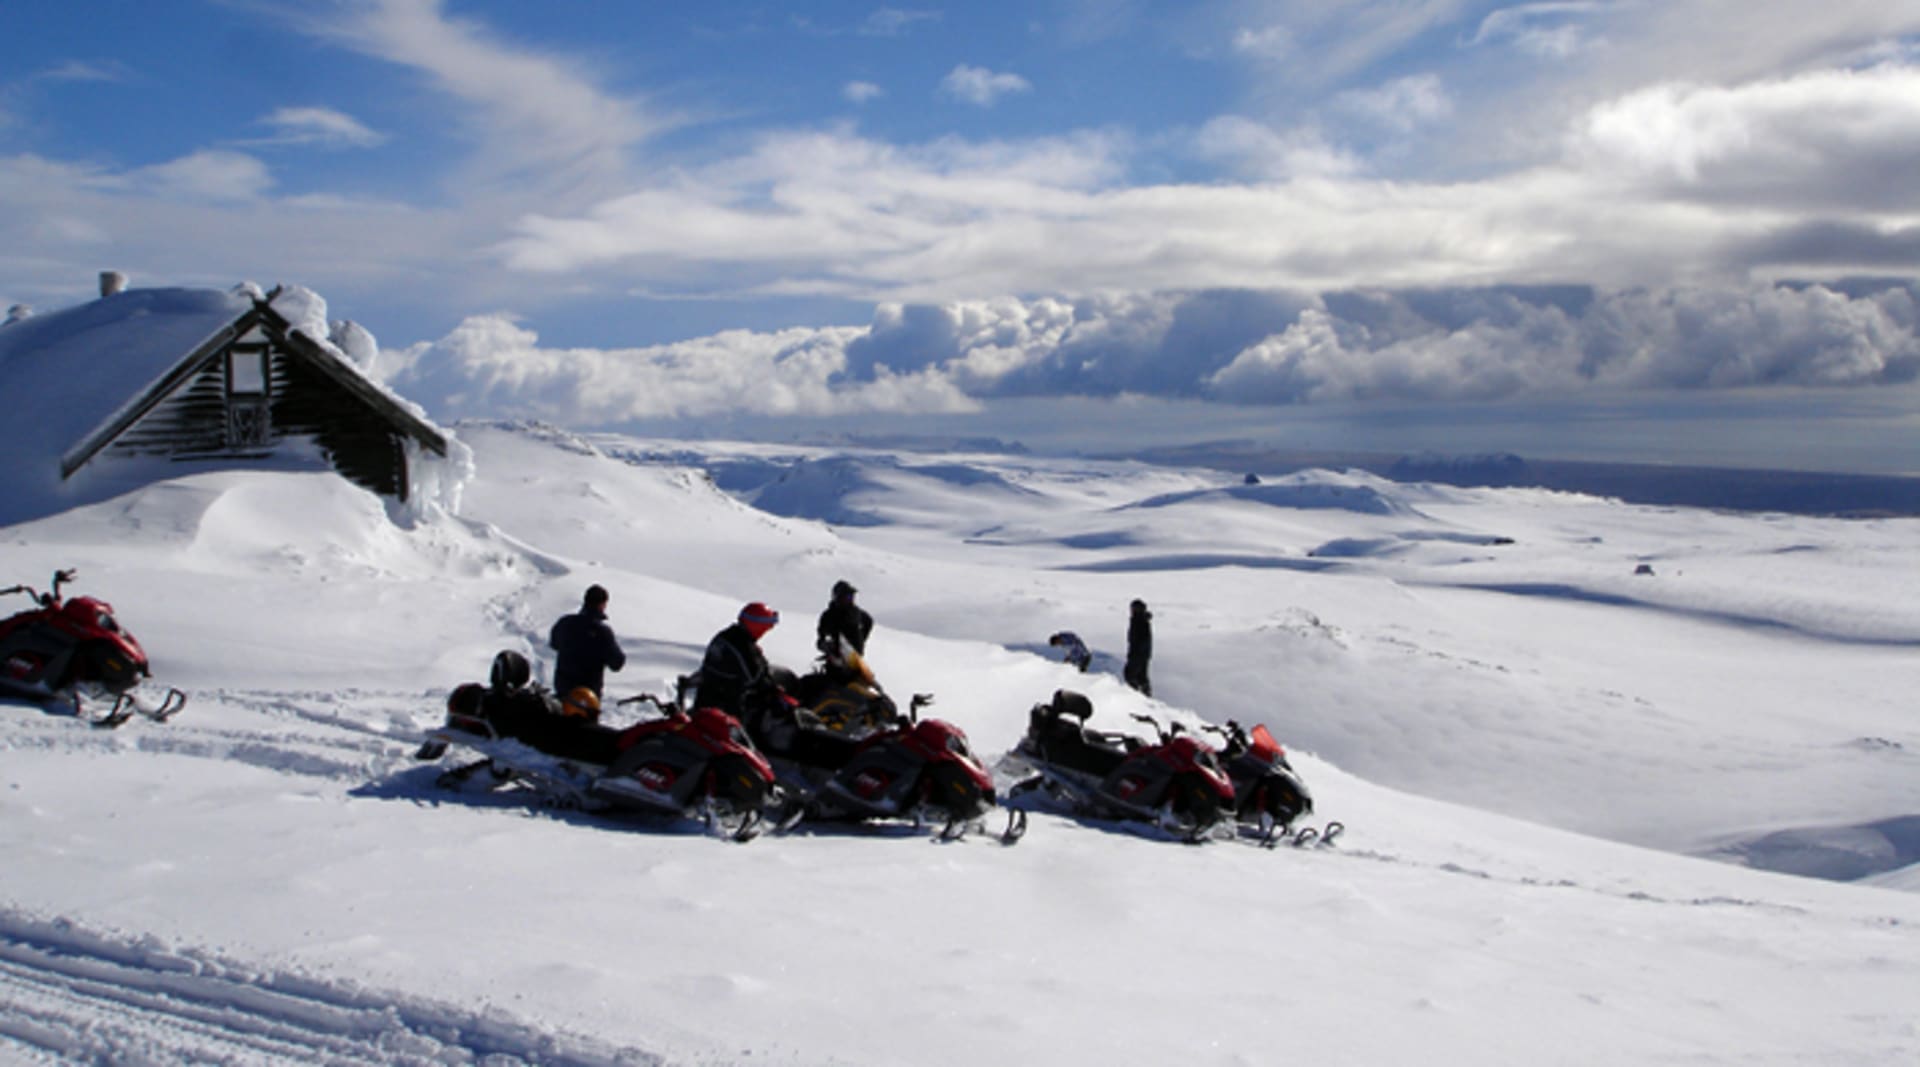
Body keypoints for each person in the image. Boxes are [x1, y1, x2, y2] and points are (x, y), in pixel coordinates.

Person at [698, 602, 780, 720]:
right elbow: (755, 679)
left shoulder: (725, 636)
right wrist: (773, 689)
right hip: (728, 708)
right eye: (766, 627)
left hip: (705, 697)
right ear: (758, 626)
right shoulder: (743, 646)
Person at [549, 584, 626, 700]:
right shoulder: (602, 632)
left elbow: (554, 644)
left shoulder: (564, 623)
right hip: (587, 699)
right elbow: (617, 663)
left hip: (563, 694)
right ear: (602, 605)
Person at [816, 579, 873, 657]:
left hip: (855, 657)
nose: (851, 599)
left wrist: (861, 640)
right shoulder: (828, 615)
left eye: (852, 596)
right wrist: (825, 645)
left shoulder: (855, 612)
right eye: (848, 596)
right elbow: (821, 637)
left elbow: (869, 621)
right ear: (839, 597)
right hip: (837, 657)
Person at [1124, 599, 1153, 696]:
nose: (1131, 610)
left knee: (1131, 675)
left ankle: (1135, 695)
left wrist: (1137, 653)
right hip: (1140, 654)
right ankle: (1142, 695)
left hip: (1138, 654)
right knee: (1140, 676)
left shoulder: (1140, 621)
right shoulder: (1138, 620)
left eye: (1133, 608)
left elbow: (1143, 640)